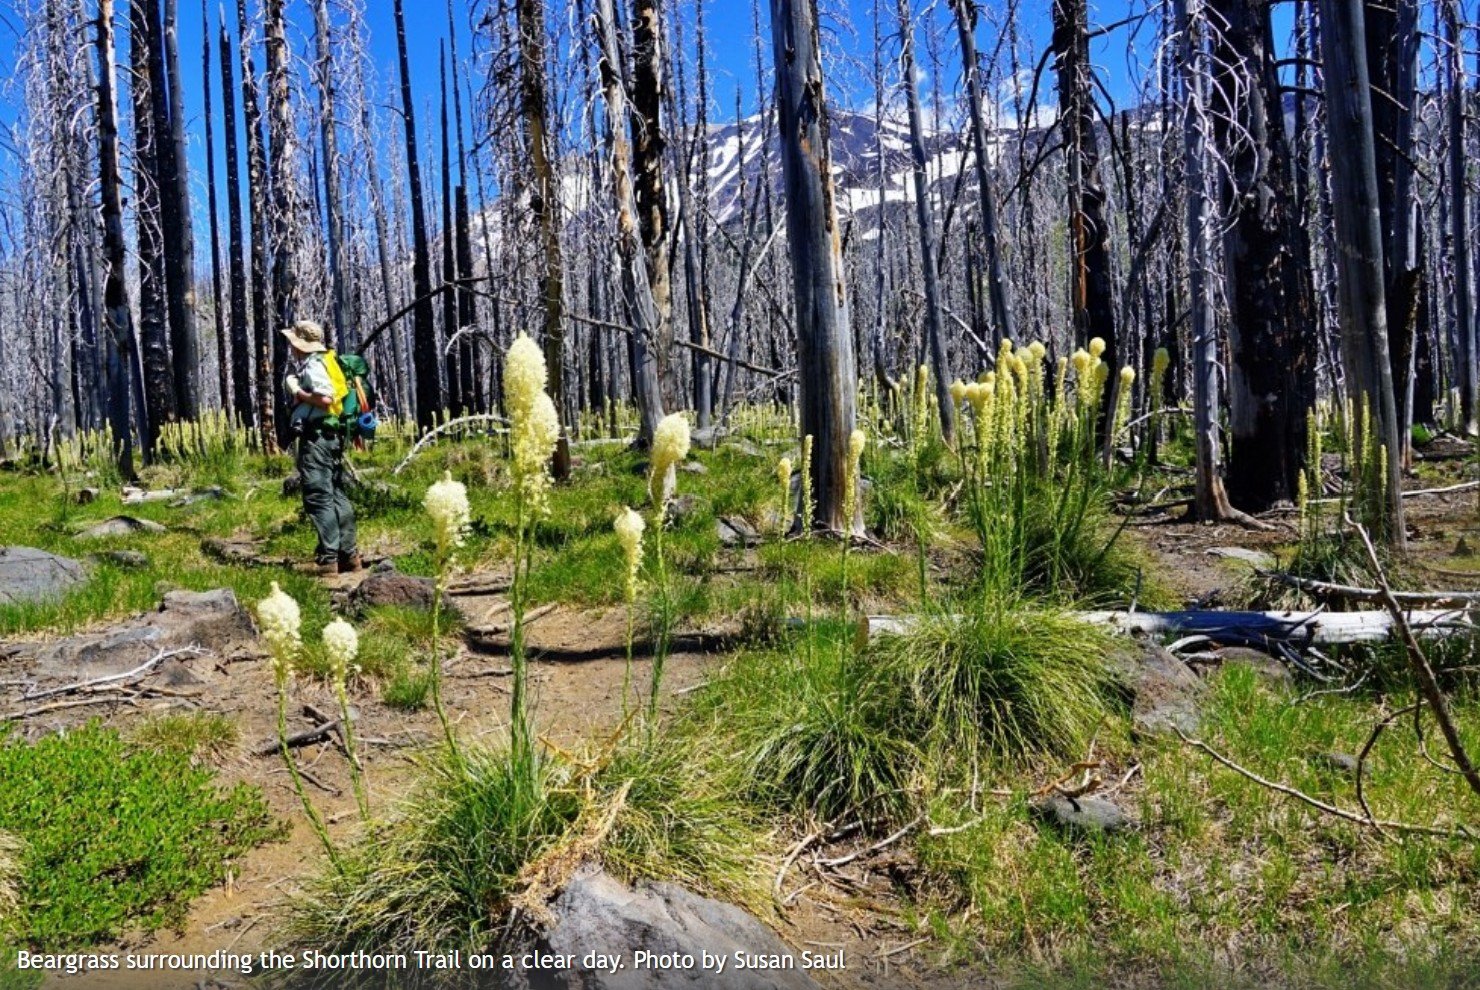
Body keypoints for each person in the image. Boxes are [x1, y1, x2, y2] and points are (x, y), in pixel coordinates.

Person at [282, 320, 360, 575]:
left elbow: (325, 398)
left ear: (300, 345)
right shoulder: (328, 361)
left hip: (317, 437)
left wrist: (297, 391)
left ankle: (328, 559)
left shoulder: (314, 365)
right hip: (331, 436)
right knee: (336, 493)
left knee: (318, 494)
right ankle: (349, 555)